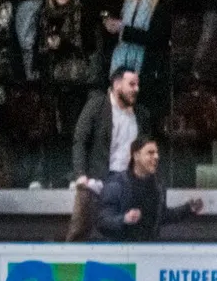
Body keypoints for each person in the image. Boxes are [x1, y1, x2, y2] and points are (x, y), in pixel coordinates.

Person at [69, 65, 147, 239]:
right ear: (117, 84)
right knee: (80, 233)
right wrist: (81, 175)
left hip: (127, 185)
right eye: (132, 84)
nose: (136, 89)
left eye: (137, 84)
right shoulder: (97, 106)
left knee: (128, 236)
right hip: (97, 182)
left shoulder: (140, 114)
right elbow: (80, 141)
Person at [96, 135, 202, 240]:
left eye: (156, 153)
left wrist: (187, 209)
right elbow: (102, 222)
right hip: (121, 247)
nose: (156, 157)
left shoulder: (157, 185)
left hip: (149, 247)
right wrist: (124, 219)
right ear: (136, 156)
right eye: (150, 153)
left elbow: (160, 216)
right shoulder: (116, 184)